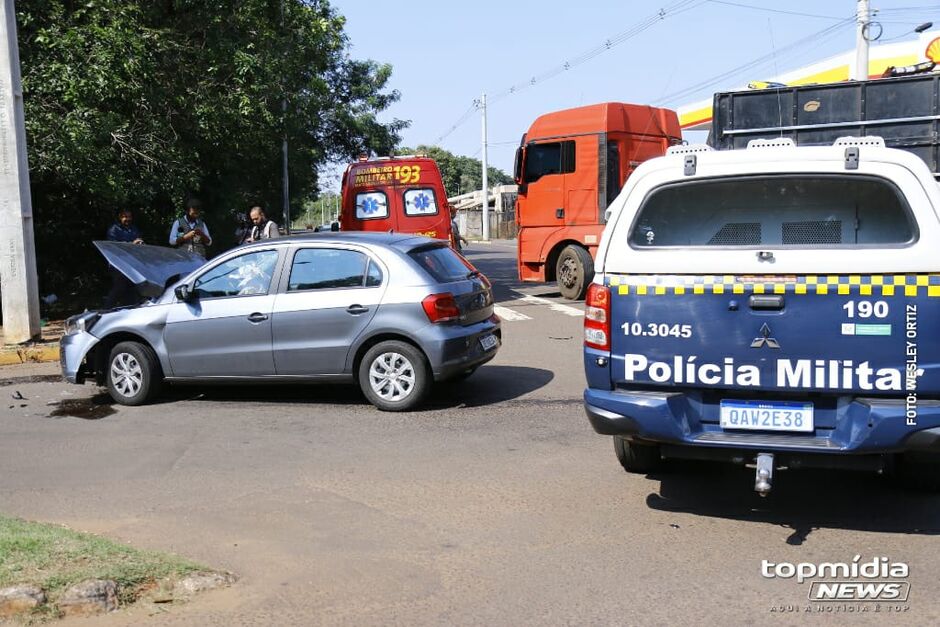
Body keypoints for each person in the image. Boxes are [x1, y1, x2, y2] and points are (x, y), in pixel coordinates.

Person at [104, 209, 143, 307]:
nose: (128, 219)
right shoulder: (114, 229)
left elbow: (138, 240)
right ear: (120, 217)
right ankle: (106, 308)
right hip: (117, 263)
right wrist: (132, 244)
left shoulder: (134, 229)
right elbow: (114, 246)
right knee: (119, 286)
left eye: (129, 217)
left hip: (131, 263)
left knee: (131, 287)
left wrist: (140, 243)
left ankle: (130, 309)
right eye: (125, 217)